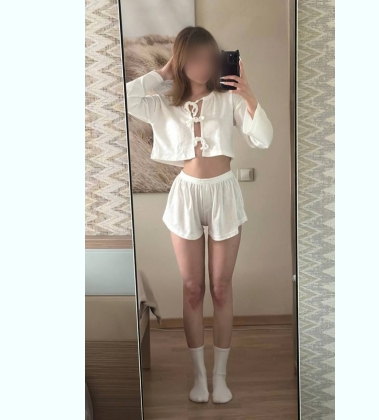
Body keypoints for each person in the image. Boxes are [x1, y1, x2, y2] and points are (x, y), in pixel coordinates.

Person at [125, 26, 273, 404]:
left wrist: (248, 94)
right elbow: (125, 98)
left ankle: (220, 376)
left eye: (209, 57)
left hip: (224, 192)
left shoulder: (228, 100)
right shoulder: (164, 103)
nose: (203, 65)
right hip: (186, 194)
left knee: (221, 288)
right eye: (193, 57)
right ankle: (199, 375)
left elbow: (264, 138)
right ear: (180, 60)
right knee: (193, 288)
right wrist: (163, 72)